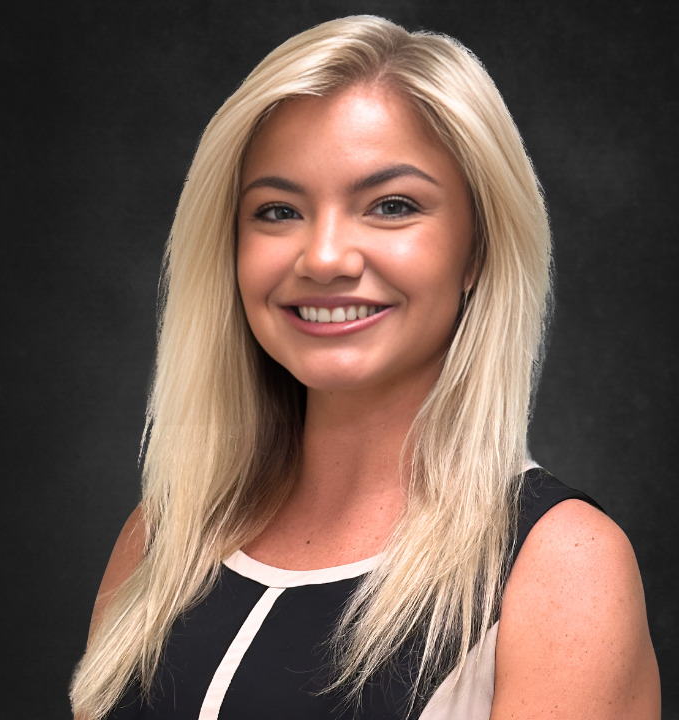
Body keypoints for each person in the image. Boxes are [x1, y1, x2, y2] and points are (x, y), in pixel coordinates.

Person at [70, 15, 660, 720]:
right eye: (278, 210)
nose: (323, 258)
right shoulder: (162, 540)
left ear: (477, 248)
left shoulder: (561, 566)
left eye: (391, 206)